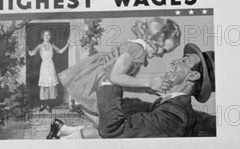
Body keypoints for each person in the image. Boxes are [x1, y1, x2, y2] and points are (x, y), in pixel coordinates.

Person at [48, 17, 181, 139]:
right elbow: (115, 77)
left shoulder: (136, 49)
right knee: (109, 132)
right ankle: (61, 143)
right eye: (162, 50)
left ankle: (61, 130)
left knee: (102, 129)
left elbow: (121, 81)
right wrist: (149, 82)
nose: (161, 55)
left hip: (103, 89)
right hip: (101, 92)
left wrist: (145, 88)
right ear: (154, 41)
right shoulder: (137, 50)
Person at [48, 43, 214, 139]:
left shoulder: (176, 116)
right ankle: (64, 133)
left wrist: (110, 78)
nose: (174, 61)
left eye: (184, 60)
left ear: (193, 74)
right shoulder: (165, 105)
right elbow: (117, 114)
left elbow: (112, 130)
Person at [28, 30, 69, 112]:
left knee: (51, 85)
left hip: (50, 66)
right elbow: (31, 53)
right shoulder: (40, 46)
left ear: (50, 36)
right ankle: (43, 104)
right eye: (45, 35)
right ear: (42, 36)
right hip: (44, 67)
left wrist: (67, 44)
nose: (46, 37)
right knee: (44, 86)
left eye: (48, 35)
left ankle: (48, 105)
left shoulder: (52, 45)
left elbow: (60, 51)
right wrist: (25, 47)